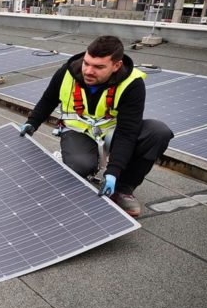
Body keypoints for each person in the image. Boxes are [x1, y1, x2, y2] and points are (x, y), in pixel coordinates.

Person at [20, 35, 173, 217]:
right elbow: (48, 99)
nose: (89, 71)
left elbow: (127, 133)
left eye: (99, 67)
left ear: (116, 66)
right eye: (87, 63)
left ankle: (122, 189)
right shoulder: (69, 71)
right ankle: (72, 161)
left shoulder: (132, 84)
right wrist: (31, 123)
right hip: (78, 131)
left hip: (113, 132)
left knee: (158, 132)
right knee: (80, 166)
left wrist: (113, 171)